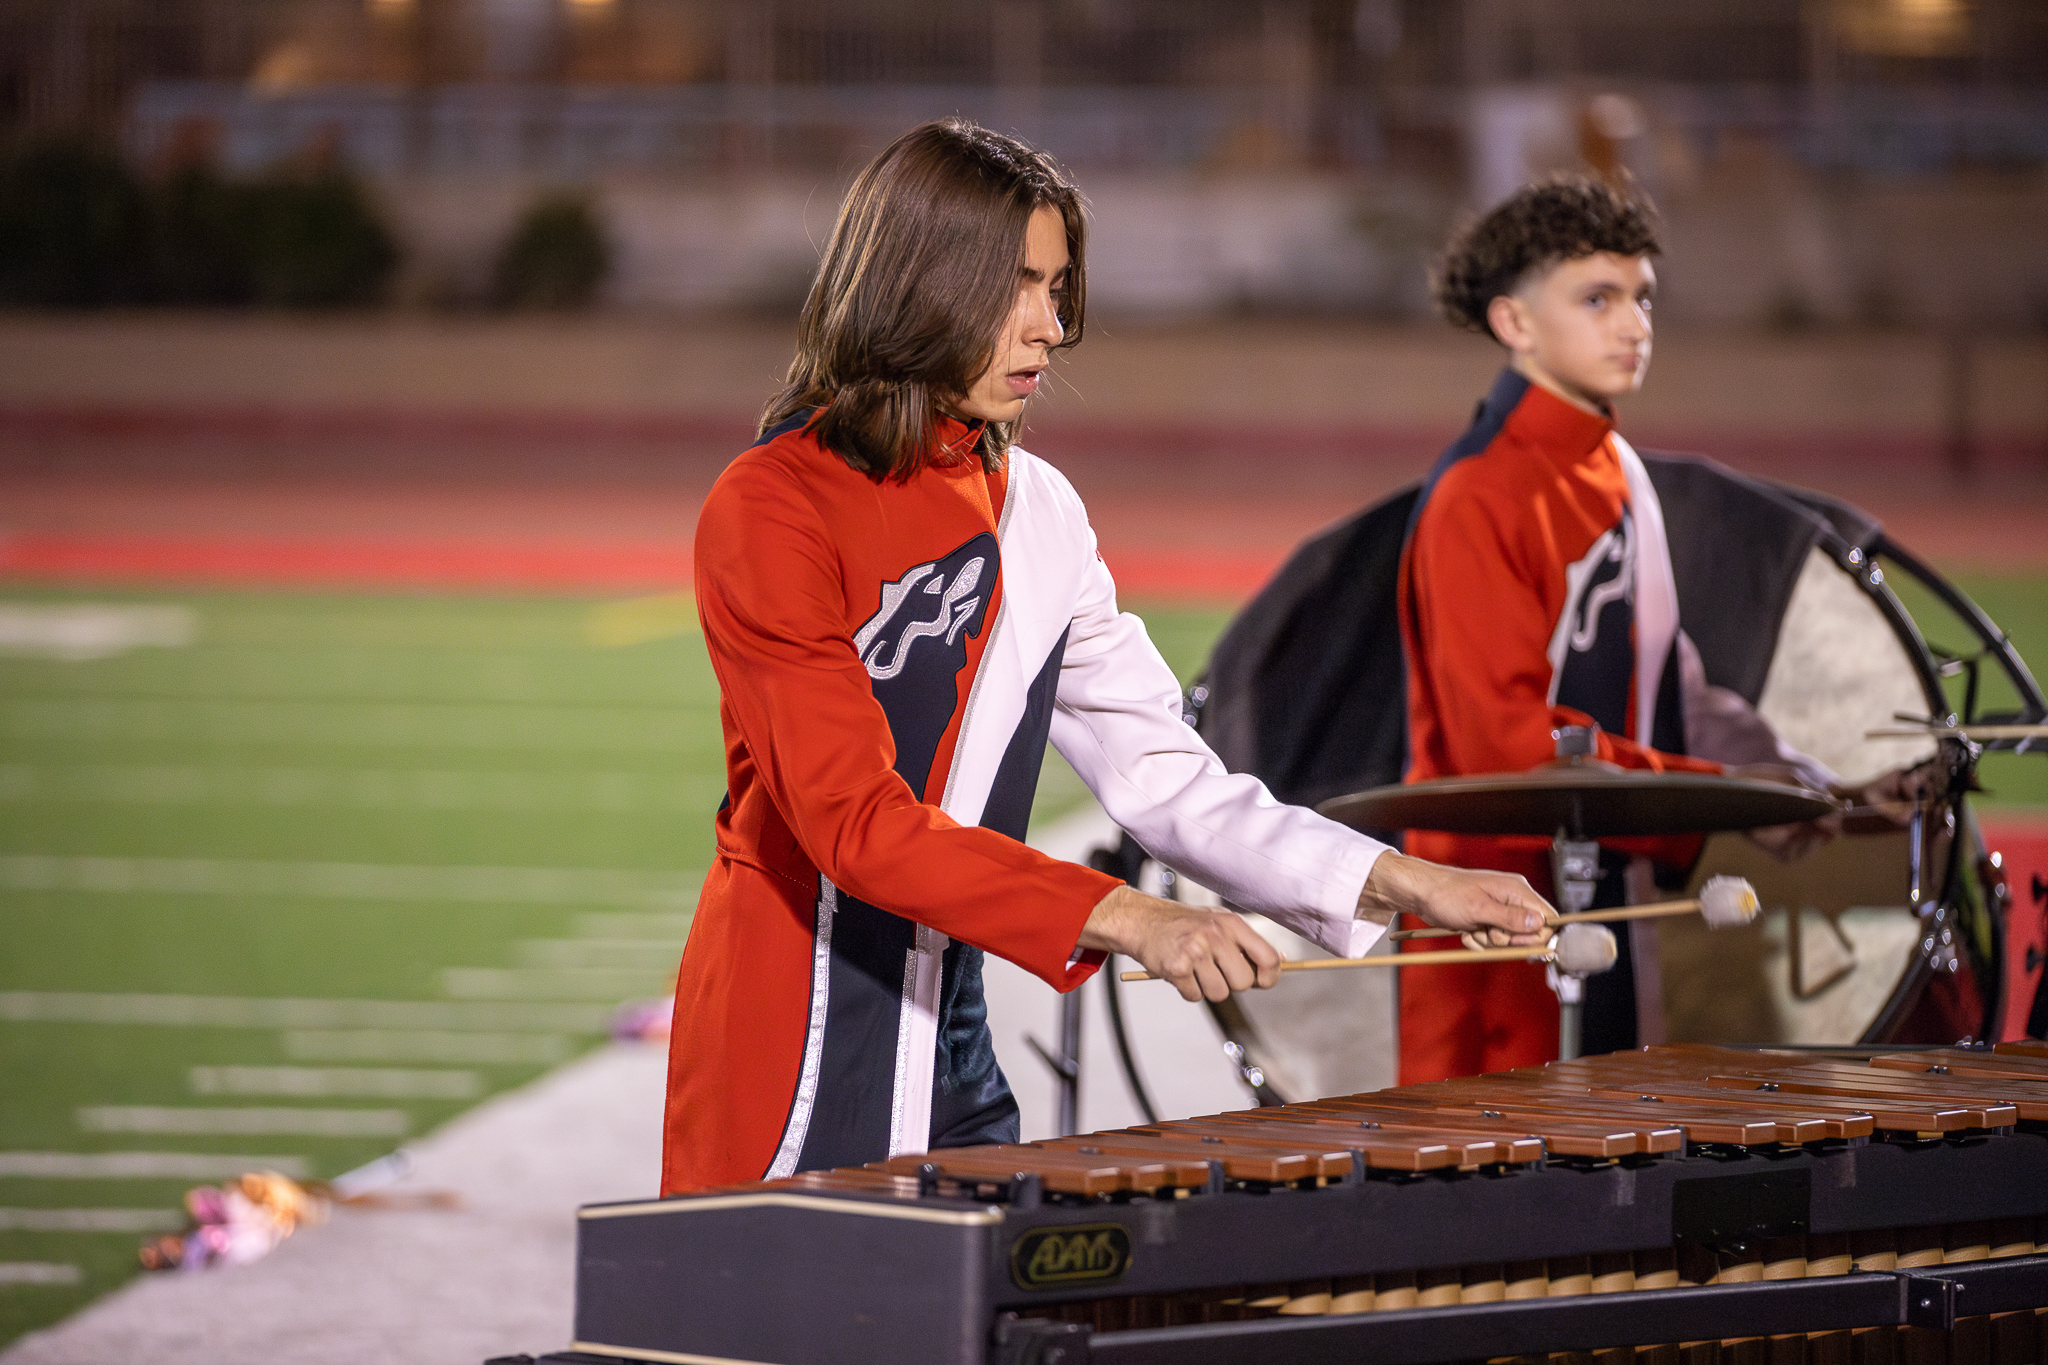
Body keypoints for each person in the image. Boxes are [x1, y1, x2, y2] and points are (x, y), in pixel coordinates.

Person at [662, 119, 1555, 1195]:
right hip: (792, 1023)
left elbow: (1163, 775)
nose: (1050, 327)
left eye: (1057, 288)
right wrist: (1132, 917)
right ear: (920, 284)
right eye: (1018, 288)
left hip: (952, 1029)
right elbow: (855, 823)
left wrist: (1399, 878)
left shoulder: (1038, 512)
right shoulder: (769, 506)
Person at [1396, 175, 1919, 1084]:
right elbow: (1507, 748)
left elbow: (1662, 681)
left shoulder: (1615, 466)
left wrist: (1798, 785)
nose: (1635, 324)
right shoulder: (1476, 496)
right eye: (1596, 299)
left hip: (1602, 899)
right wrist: (1725, 792)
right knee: (1504, 1203)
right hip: (1494, 928)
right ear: (1515, 322)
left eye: (1641, 297)